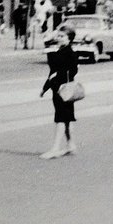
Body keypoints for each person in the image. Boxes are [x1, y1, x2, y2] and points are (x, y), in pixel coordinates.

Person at [39, 26, 79, 159]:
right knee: (67, 118)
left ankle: (55, 148)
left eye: (62, 36)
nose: (58, 38)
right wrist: (45, 88)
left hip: (62, 90)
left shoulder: (68, 53)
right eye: (59, 35)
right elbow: (53, 72)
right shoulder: (62, 51)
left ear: (69, 39)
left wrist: (55, 79)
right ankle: (70, 144)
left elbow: (68, 71)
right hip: (63, 89)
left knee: (61, 118)